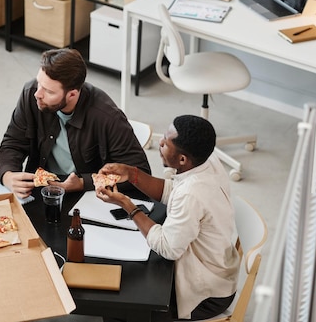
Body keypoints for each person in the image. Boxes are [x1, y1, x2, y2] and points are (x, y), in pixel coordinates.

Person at [95, 115, 240, 321]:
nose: (160, 143)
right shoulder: (207, 162)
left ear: (182, 159)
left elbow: (168, 247)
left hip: (205, 294)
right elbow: (174, 191)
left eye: (166, 144)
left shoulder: (192, 193)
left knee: (121, 304)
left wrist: (127, 205)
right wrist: (132, 173)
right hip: (218, 269)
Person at [0, 48, 150, 199]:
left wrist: (84, 183)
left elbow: (140, 173)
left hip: (88, 197)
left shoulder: (108, 117)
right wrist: (8, 176)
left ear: (72, 94)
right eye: (39, 83)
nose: (38, 94)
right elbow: (13, 143)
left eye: (49, 91)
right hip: (40, 191)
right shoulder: (31, 94)